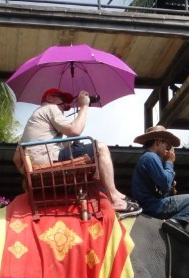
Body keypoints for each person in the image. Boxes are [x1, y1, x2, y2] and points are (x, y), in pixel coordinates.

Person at [17, 87, 141, 218]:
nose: (65, 104)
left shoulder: (31, 124)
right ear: (49, 98)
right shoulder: (50, 108)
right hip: (51, 159)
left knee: (85, 150)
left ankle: (114, 194)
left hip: (38, 165)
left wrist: (31, 174)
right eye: (62, 99)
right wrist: (84, 106)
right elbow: (75, 130)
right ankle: (115, 198)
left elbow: (16, 159)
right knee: (100, 148)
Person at [130, 125, 189, 242]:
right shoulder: (151, 157)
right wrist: (169, 162)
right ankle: (176, 221)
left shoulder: (149, 158)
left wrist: (170, 189)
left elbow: (162, 188)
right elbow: (165, 183)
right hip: (154, 206)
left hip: (151, 204)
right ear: (158, 142)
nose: (167, 150)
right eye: (166, 145)